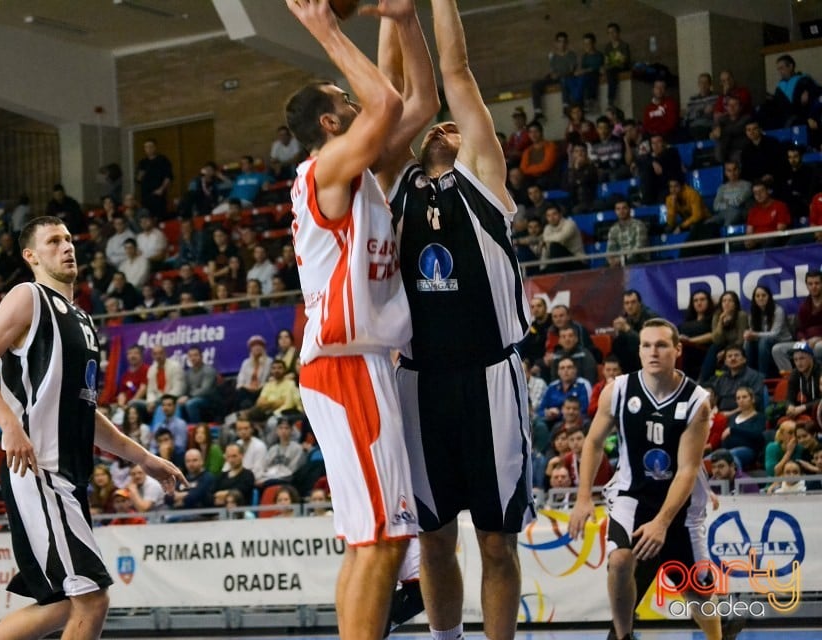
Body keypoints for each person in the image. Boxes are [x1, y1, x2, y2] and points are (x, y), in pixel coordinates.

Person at [380, 2, 535, 638]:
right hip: (420, 381)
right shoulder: (395, 186)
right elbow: (386, 97)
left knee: (497, 544)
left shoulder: (486, 179)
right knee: (435, 541)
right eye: (434, 123)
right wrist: (394, 17)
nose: (445, 125)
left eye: (454, 125)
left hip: (492, 375)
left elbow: (457, 70)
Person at [0, 216, 184, 640]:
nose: (67, 246)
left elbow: (85, 412)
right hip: (38, 467)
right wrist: (8, 424)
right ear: (31, 256)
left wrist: (146, 459)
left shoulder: (82, 319)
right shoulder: (28, 296)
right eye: (54, 241)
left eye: (69, 238)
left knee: (63, 603)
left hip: (68, 476)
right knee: (92, 598)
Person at [284, 1, 423, 638]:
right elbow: (388, 105)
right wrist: (327, 29)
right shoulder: (327, 169)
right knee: (383, 543)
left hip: (353, 364)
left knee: (369, 542)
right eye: (344, 94)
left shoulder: (357, 171)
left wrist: (400, 17)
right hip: (345, 366)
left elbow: (410, 102)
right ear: (329, 119)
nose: (356, 93)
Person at [569, 319, 721, 640]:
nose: (654, 351)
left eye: (662, 345)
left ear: (677, 350)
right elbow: (593, 442)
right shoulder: (617, 391)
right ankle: (623, 636)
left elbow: (687, 471)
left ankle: (718, 635)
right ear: (638, 351)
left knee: (697, 590)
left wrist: (662, 522)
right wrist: (583, 497)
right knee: (621, 559)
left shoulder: (697, 401)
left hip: (680, 502)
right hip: (631, 494)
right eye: (647, 345)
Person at [771, 270, 822, 372]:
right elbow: (799, 329)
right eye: (810, 284)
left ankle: (818, 378)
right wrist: (803, 340)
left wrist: (818, 338)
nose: (813, 286)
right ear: (807, 285)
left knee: (818, 347)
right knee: (777, 349)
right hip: (806, 342)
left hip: (819, 342)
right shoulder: (804, 306)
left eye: (817, 283)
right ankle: (791, 379)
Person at [743, 285, 791, 377]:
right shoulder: (753, 313)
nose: (760, 298)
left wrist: (755, 334)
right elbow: (752, 330)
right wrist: (748, 335)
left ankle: (762, 376)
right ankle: (749, 376)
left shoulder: (778, 310)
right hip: (763, 340)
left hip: (781, 340)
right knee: (748, 342)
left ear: (769, 297)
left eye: (763, 295)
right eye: (757, 296)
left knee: (763, 342)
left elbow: (775, 334)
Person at [135, 139, 173, 221]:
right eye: (146, 147)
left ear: (155, 147)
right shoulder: (142, 162)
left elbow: (168, 176)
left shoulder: (162, 160)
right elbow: (138, 179)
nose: (148, 149)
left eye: (150, 146)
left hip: (158, 193)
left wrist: (161, 189)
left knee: (158, 217)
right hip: (145, 194)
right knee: (146, 215)